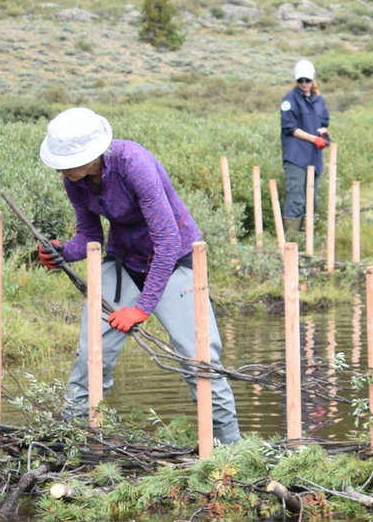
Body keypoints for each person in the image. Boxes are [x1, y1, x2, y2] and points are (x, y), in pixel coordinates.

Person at [37, 106, 241, 444]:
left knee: (201, 362)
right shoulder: (74, 180)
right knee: (91, 359)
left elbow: (168, 240)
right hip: (124, 263)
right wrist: (63, 252)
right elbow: (90, 236)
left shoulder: (133, 163)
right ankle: (71, 444)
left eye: (65, 162)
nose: (59, 168)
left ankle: (233, 451)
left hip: (175, 260)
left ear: (91, 155)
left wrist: (142, 308)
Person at [280, 59, 330, 226]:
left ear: (313, 78)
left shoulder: (318, 100)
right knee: (296, 198)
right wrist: (313, 139)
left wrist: (323, 134)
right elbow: (290, 128)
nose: (304, 84)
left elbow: (323, 122)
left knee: (312, 199)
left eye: (307, 80)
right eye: (300, 80)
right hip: (296, 156)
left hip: (314, 157)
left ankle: (308, 239)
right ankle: (292, 242)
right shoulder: (290, 100)